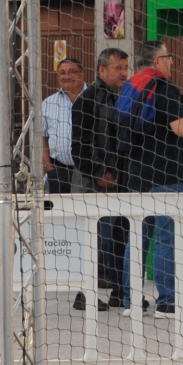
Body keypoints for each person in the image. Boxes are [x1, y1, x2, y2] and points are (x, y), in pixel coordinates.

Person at [116, 42, 183, 315]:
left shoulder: (132, 87)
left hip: (137, 175)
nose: (172, 61)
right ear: (158, 60)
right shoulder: (164, 88)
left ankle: (131, 301)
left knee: (137, 239)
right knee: (166, 239)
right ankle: (167, 302)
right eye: (169, 56)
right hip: (166, 174)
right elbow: (181, 129)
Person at [72, 47, 130, 312]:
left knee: (121, 236)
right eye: (118, 68)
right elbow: (80, 146)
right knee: (96, 238)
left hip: (120, 181)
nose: (123, 73)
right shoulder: (87, 100)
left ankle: (120, 291)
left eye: (126, 68)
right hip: (94, 182)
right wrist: (99, 173)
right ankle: (85, 293)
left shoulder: (123, 97)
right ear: (102, 70)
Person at [43, 58, 87, 194]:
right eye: (62, 73)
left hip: (89, 171)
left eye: (72, 71)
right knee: (57, 208)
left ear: (82, 74)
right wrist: (49, 168)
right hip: (59, 171)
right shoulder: (48, 103)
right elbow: (41, 137)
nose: (67, 76)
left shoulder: (96, 98)